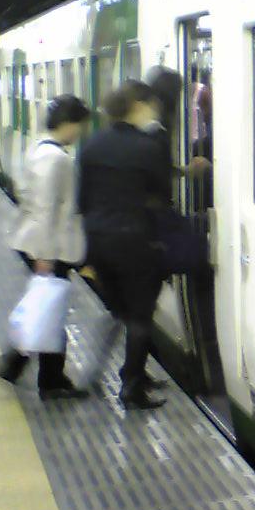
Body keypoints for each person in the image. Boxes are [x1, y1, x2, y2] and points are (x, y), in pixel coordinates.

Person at [77, 81, 170, 411]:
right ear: (137, 107)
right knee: (140, 316)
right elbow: (162, 196)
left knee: (121, 311)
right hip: (136, 241)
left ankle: (133, 373)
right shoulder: (147, 148)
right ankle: (131, 387)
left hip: (98, 241)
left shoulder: (91, 145)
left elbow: (82, 200)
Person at [0, 94, 91, 400]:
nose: (80, 132)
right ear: (68, 123)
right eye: (80, 125)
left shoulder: (38, 148)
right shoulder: (56, 159)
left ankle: (29, 370)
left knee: (49, 308)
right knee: (50, 310)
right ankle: (42, 377)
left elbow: (28, 196)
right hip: (50, 247)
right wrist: (46, 256)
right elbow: (47, 209)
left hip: (39, 242)